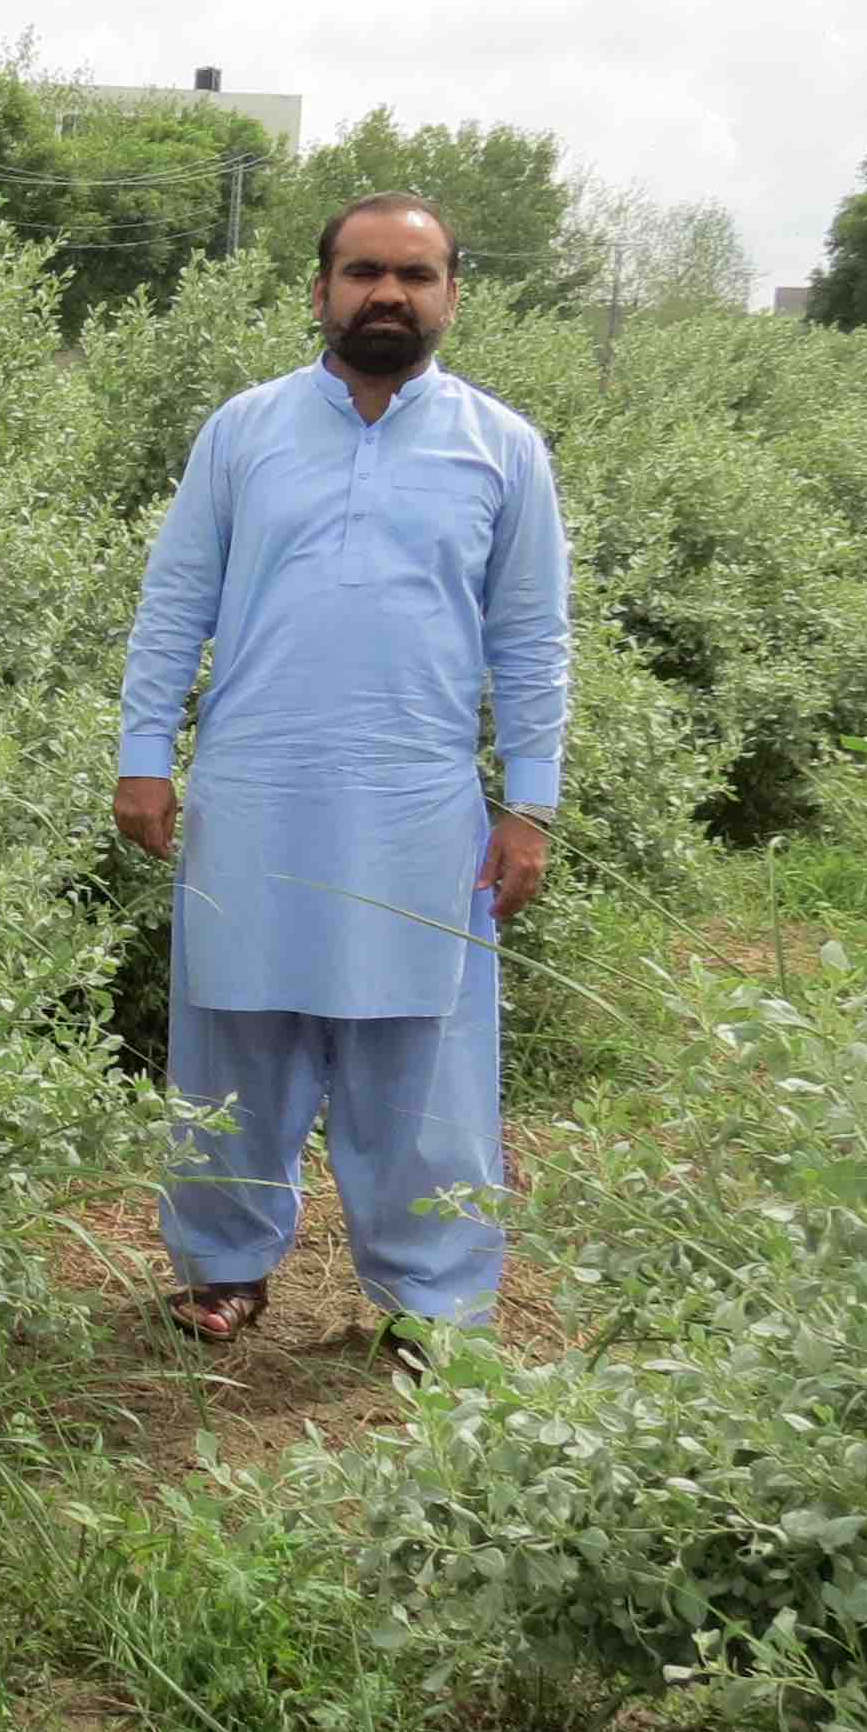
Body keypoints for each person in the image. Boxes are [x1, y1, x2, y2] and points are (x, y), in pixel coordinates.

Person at [110, 194, 571, 1382]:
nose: (387, 295)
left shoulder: (499, 446)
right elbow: (175, 605)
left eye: (414, 276)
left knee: (419, 1061)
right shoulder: (245, 431)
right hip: (254, 790)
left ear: (452, 295)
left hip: (420, 803)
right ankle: (220, 1268)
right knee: (233, 1039)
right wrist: (143, 754)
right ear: (318, 290)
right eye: (363, 272)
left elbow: (532, 638)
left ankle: (430, 1298)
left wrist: (529, 802)